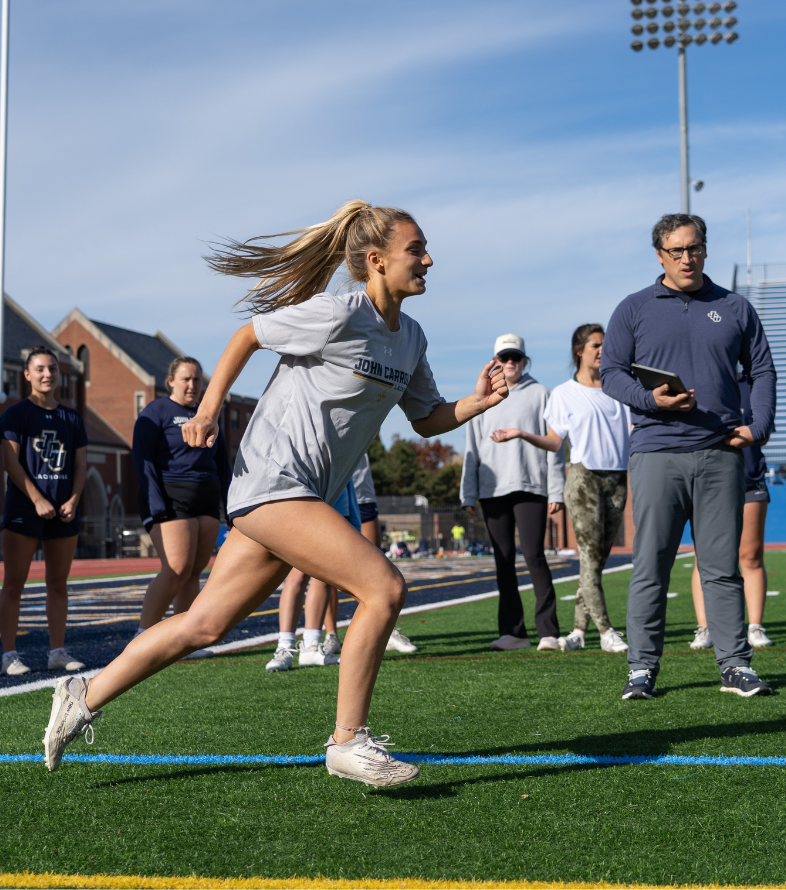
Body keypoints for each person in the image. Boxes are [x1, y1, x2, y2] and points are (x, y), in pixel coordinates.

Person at [43, 200, 509, 788]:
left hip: (299, 495)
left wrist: (480, 403)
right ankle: (347, 742)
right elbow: (248, 336)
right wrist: (209, 411)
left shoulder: (410, 338)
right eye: (416, 250)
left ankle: (82, 694)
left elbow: (427, 418)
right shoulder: (337, 313)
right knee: (385, 587)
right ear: (375, 260)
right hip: (272, 483)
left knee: (203, 625)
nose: (428, 259)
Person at [601, 212, 776, 699]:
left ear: (705, 249)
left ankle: (735, 666)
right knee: (650, 564)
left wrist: (758, 427)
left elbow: (762, 370)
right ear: (659, 255)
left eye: (694, 248)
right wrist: (648, 400)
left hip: (722, 453)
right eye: (676, 250)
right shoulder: (634, 308)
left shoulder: (735, 306)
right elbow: (611, 371)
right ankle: (642, 669)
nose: (686, 258)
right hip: (657, 452)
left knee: (721, 566)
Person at [494, 324, 629, 655]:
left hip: (618, 480)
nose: (602, 350)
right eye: (596, 345)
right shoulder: (564, 393)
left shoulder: (619, 389)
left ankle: (579, 631)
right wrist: (522, 434)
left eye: (605, 345)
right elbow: (555, 442)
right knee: (588, 558)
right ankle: (607, 631)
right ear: (579, 351)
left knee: (596, 562)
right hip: (583, 479)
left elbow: (634, 431)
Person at [460, 333, 566, 652]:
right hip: (493, 491)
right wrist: (468, 494)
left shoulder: (542, 394)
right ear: (495, 362)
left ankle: (548, 632)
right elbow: (471, 451)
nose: (510, 364)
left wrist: (556, 491)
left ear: (524, 361)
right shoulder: (480, 398)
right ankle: (514, 632)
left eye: (515, 358)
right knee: (503, 560)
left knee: (534, 556)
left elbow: (555, 446)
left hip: (531, 487)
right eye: (504, 358)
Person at [132, 356, 231, 660]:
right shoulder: (157, 411)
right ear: (171, 381)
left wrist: (231, 506)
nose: (192, 385)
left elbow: (223, 463)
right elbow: (142, 459)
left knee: (193, 574)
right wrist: (156, 503)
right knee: (175, 569)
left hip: (206, 498)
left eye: (197, 379)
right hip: (170, 498)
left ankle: (182, 642)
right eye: (186, 379)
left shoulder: (208, 413)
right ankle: (143, 637)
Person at [0, 346, 87, 676]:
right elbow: (10, 462)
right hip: (25, 509)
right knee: (14, 584)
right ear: (27, 375)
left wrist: (74, 499)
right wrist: (37, 499)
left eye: (52, 368)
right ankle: (9, 655)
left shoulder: (72, 417)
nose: (48, 374)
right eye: (40, 369)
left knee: (58, 584)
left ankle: (57, 652)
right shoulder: (15, 414)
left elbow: (80, 464)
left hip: (63, 512)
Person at [691, 371, 772, 650]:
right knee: (704, 555)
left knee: (750, 555)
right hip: (708, 479)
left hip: (749, 477)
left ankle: (755, 626)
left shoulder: (753, 384)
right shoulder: (699, 378)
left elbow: (763, 431)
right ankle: (704, 628)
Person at [266, 480, 360, 672]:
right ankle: (285, 646)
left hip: (333, 487)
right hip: (302, 485)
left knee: (323, 573)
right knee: (296, 574)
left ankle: (311, 644)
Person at [352, 450, 417, 653]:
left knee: (378, 574)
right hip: (329, 491)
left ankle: (386, 632)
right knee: (317, 578)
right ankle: (323, 637)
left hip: (361, 492)